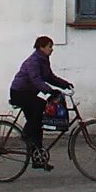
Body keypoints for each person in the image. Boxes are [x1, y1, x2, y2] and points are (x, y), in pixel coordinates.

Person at [9, 35, 72, 170]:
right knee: (41, 107)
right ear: (41, 47)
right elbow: (36, 80)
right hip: (19, 92)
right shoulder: (34, 61)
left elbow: (50, 77)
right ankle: (25, 133)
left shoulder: (43, 60)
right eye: (50, 46)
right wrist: (50, 91)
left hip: (28, 93)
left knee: (38, 125)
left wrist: (64, 84)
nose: (52, 49)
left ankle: (37, 159)